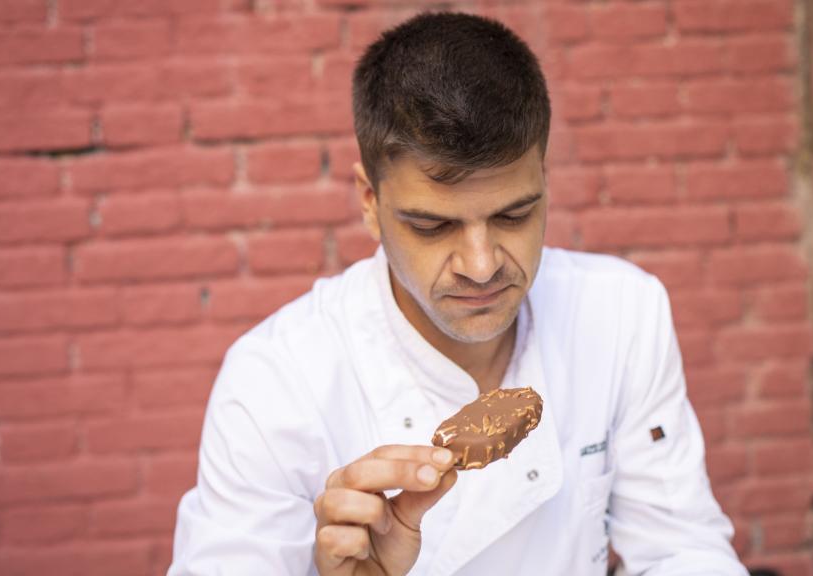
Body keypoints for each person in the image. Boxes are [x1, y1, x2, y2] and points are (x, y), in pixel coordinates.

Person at [168, 11, 747, 576]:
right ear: (370, 201)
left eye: (514, 215)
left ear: (545, 180)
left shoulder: (622, 314)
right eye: (432, 225)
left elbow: (681, 545)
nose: (480, 265)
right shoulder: (275, 381)